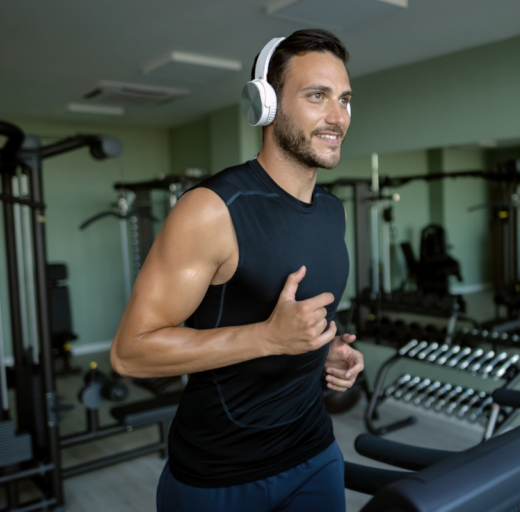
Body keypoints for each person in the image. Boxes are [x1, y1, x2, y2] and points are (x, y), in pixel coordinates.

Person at [111, 28, 363, 512]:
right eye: (317, 96)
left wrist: (326, 351)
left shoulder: (335, 211)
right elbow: (130, 353)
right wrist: (268, 338)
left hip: (315, 453)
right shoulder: (212, 209)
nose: (338, 117)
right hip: (219, 476)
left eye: (346, 100)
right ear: (265, 104)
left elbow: (287, 320)